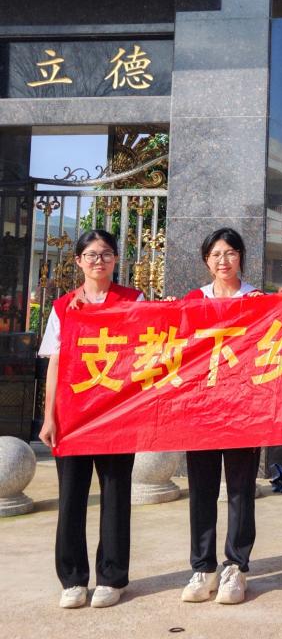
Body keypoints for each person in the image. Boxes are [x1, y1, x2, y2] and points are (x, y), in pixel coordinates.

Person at [38, 229, 144, 609]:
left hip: (116, 413)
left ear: (116, 259)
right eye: (92, 255)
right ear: (79, 261)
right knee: (71, 497)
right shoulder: (63, 307)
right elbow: (55, 363)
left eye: (107, 254)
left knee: (115, 494)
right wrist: (49, 417)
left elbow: (149, 346)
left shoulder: (133, 300)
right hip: (73, 416)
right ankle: (72, 579)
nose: (99, 261)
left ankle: (112, 577)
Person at [179, 228, 264, 605]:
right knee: (202, 489)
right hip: (201, 410)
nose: (223, 260)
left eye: (230, 252)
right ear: (206, 261)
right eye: (215, 254)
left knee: (241, 490)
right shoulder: (193, 301)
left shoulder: (256, 300)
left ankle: (236, 566)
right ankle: (203, 566)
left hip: (244, 409)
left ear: (241, 256)